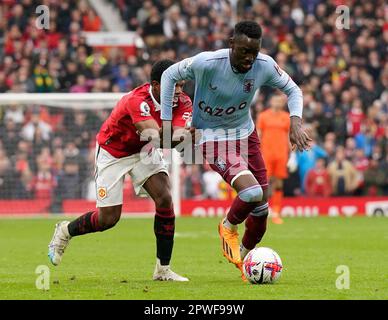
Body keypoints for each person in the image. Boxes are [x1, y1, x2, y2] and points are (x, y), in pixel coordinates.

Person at [160, 21, 311, 281]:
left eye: (254, 52)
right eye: (243, 51)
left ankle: (245, 261)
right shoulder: (206, 63)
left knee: (262, 207)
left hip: (246, 133)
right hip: (211, 136)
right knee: (251, 192)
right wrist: (165, 124)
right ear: (231, 44)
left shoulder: (264, 65)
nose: (249, 58)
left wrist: (295, 120)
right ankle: (228, 225)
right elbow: (168, 75)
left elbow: (293, 89)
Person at [48, 59, 192, 281]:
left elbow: (180, 134)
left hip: (142, 151)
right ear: (156, 85)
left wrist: (185, 137)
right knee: (108, 219)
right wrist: (188, 138)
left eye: (182, 85)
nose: (179, 91)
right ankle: (65, 231)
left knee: (165, 198)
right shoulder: (137, 101)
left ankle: (163, 270)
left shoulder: (183, 101)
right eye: (175, 86)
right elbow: (156, 137)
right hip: (112, 152)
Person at [257, 93, 290, 224]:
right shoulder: (263, 116)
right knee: (265, 182)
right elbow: (258, 135)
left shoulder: (286, 117)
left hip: (281, 154)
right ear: (271, 101)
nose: (277, 103)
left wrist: (291, 155)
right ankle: (262, 210)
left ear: (282, 103)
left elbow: (289, 136)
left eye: (279, 101)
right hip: (266, 154)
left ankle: (276, 211)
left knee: (278, 182)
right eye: (275, 100)